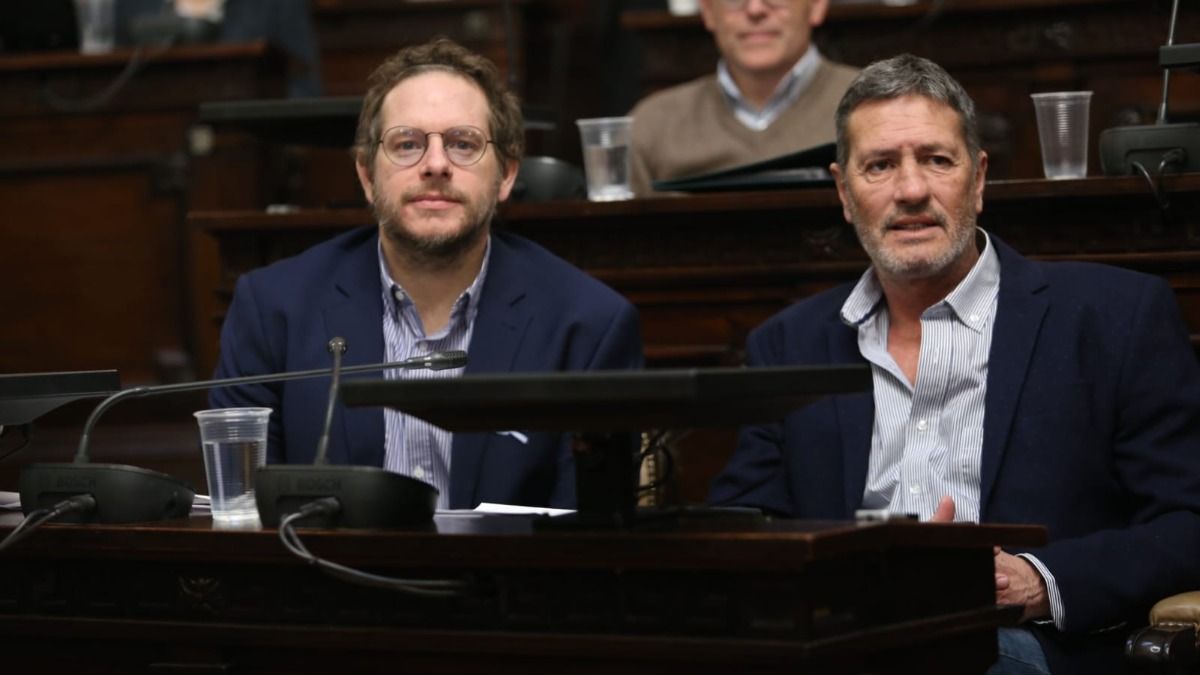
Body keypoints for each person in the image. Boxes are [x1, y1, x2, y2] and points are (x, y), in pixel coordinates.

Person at [709, 54, 1200, 675]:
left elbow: (1189, 519)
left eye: (937, 160)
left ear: (978, 178)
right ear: (843, 191)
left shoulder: (1113, 317)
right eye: (880, 165)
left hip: (1019, 646)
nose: (911, 190)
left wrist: (1036, 578)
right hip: (836, 641)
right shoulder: (787, 345)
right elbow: (746, 527)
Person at [211, 38, 644, 510]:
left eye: (462, 144)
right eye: (407, 144)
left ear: (506, 176)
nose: (435, 165)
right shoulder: (274, 308)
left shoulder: (588, 324)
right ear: (366, 176)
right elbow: (245, 518)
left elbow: (589, 539)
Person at [628, 0, 857, 195]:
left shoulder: (871, 104)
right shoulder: (651, 125)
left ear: (816, 5)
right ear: (707, 10)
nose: (755, 9)